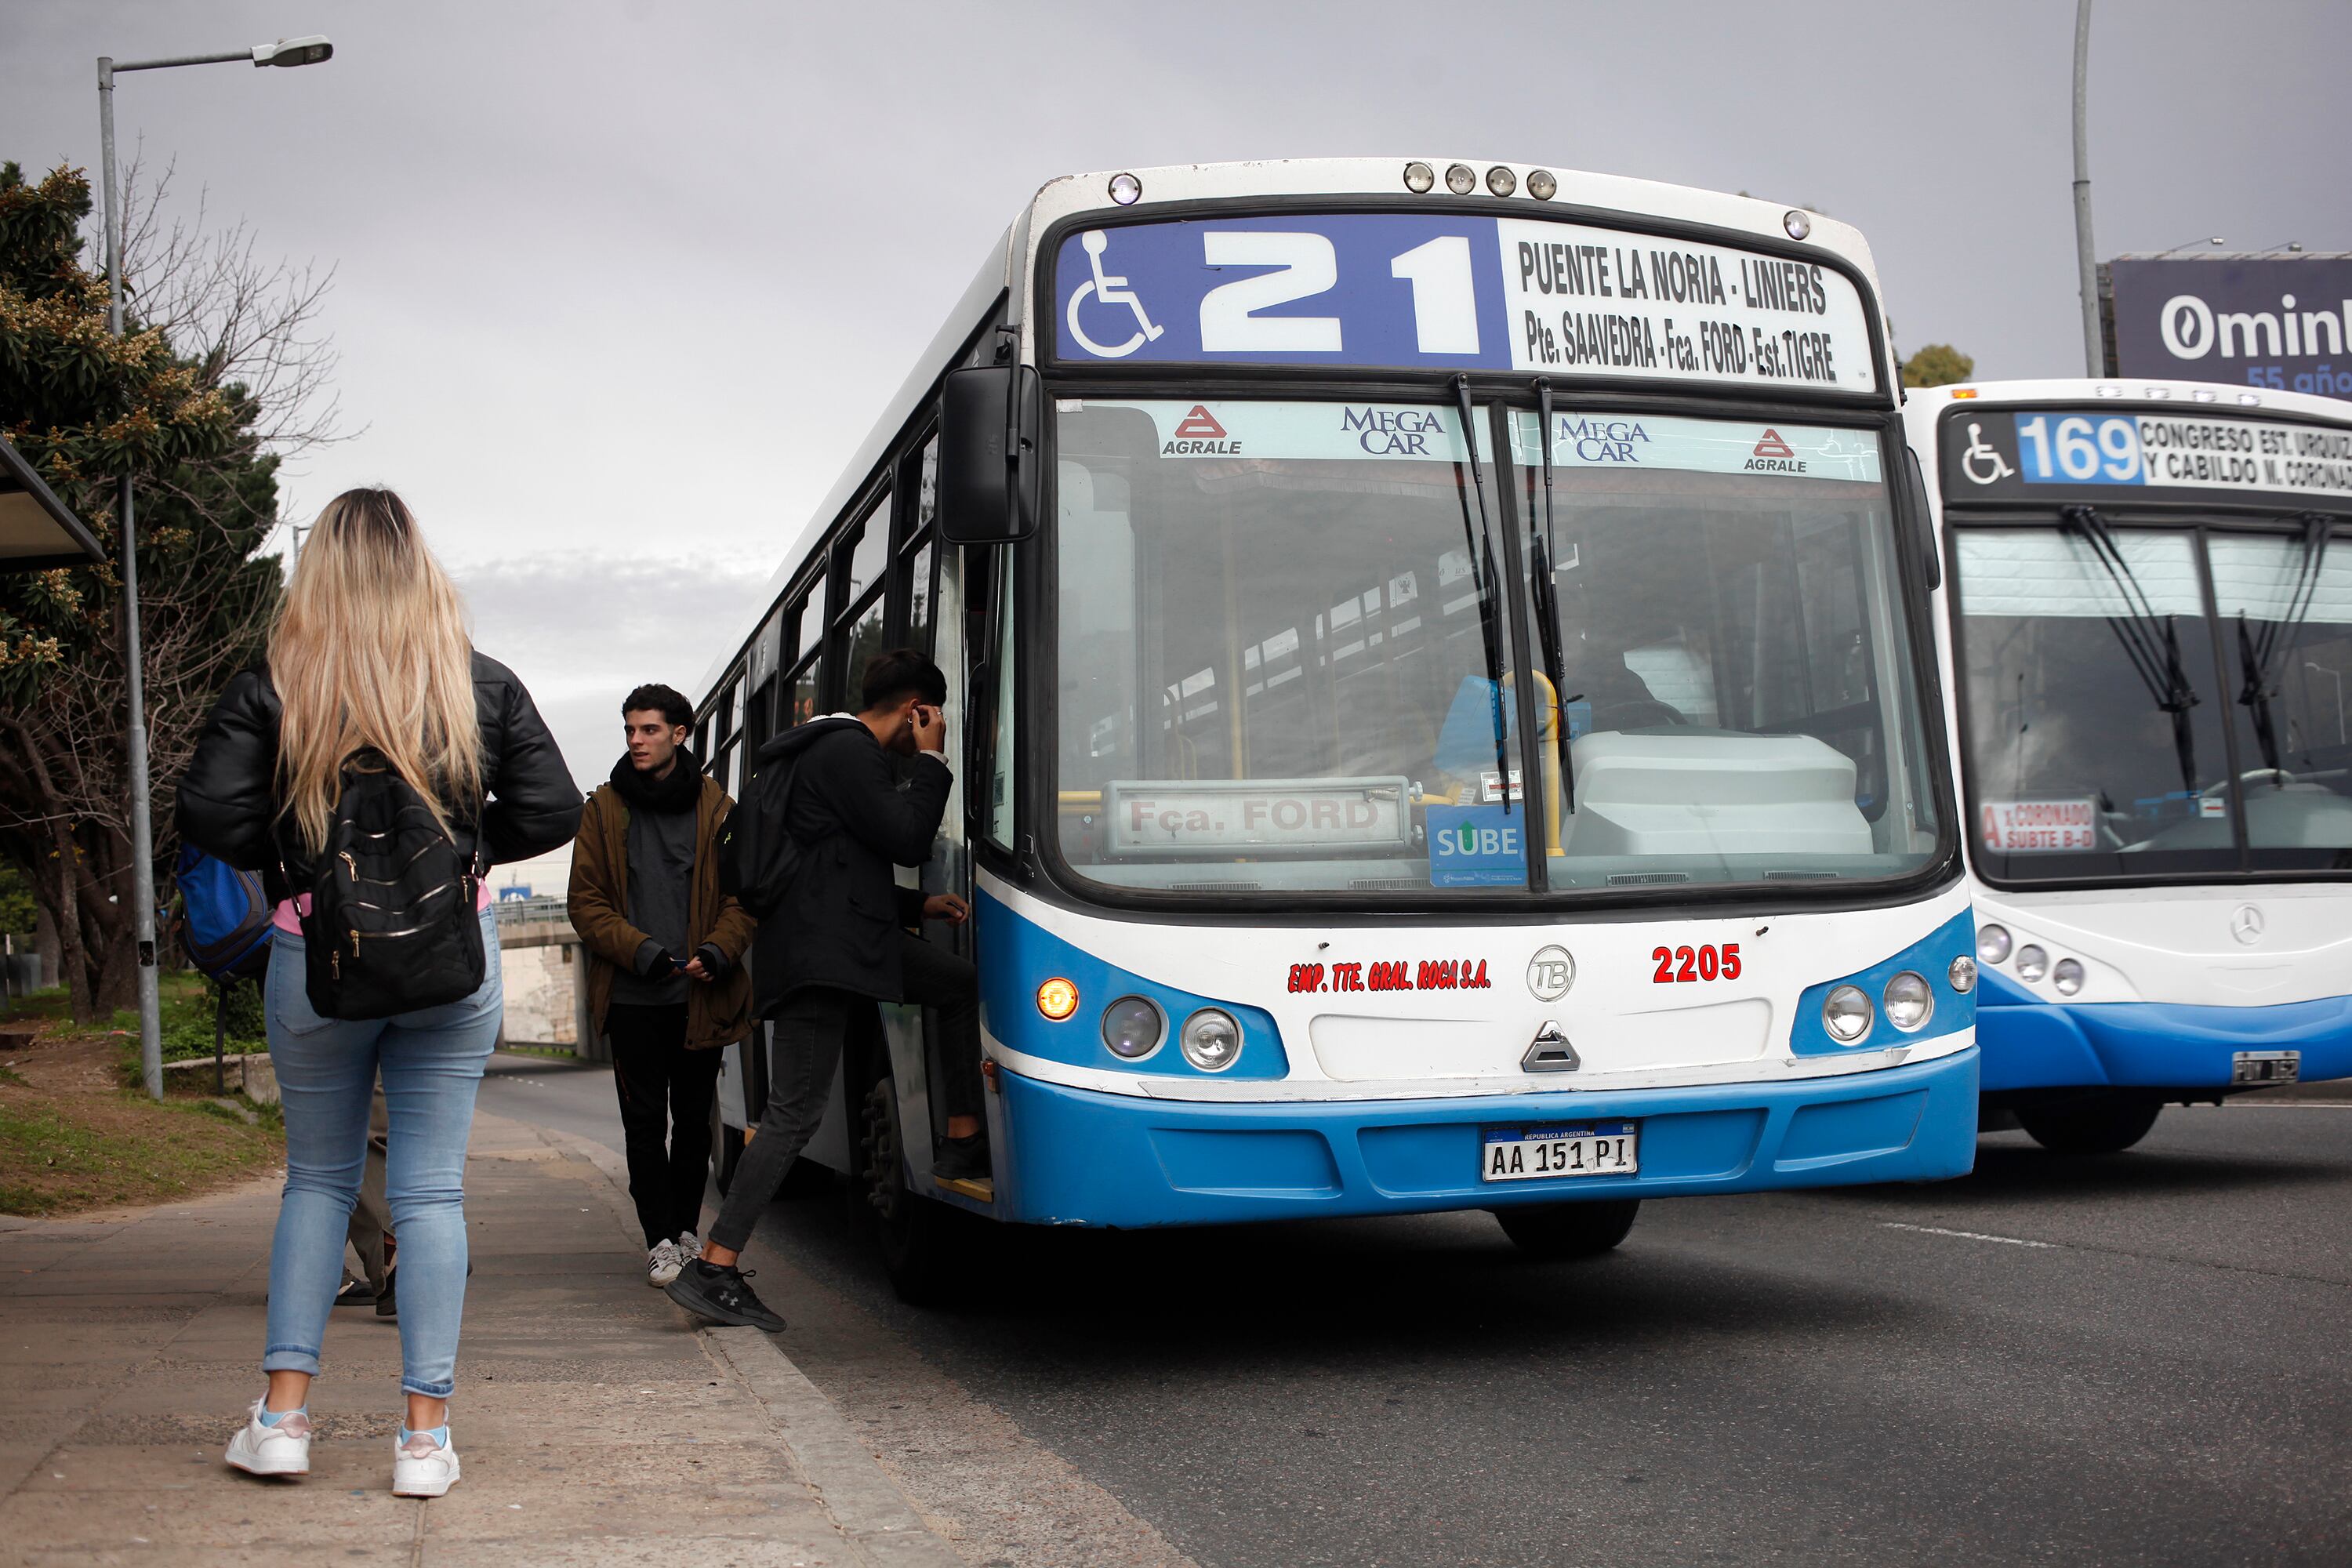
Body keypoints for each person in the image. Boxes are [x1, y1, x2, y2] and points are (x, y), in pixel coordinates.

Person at [176, 488, 581, 1497]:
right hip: (453, 956)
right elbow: (554, 805)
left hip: (314, 952)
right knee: (432, 1189)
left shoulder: (275, 684)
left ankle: (282, 1421)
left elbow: (210, 809)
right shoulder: (476, 683)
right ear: (420, 571)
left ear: (320, 576)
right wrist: (460, 859)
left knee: (317, 1179)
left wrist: (296, 873)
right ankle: (423, 1442)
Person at [665, 650, 978, 1333]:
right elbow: (907, 836)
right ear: (916, 711)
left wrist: (912, 909)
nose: (927, 736)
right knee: (793, 1113)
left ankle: (960, 1137)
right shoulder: (848, 752)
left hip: (836, 940)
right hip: (820, 958)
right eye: (929, 723)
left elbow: (832, 868)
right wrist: (934, 763)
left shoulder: (819, 753)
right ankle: (715, 1266)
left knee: (957, 987)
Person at [566, 683, 756, 1287]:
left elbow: (743, 897)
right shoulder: (602, 810)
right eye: (630, 730)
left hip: (701, 997)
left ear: (679, 735)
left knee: (695, 1124)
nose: (636, 740)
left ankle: (686, 1231)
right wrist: (642, 952)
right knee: (644, 1126)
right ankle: (659, 1242)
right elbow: (585, 903)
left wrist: (717, 950)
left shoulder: (721, 812)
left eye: (648, 730)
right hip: (632, 997)